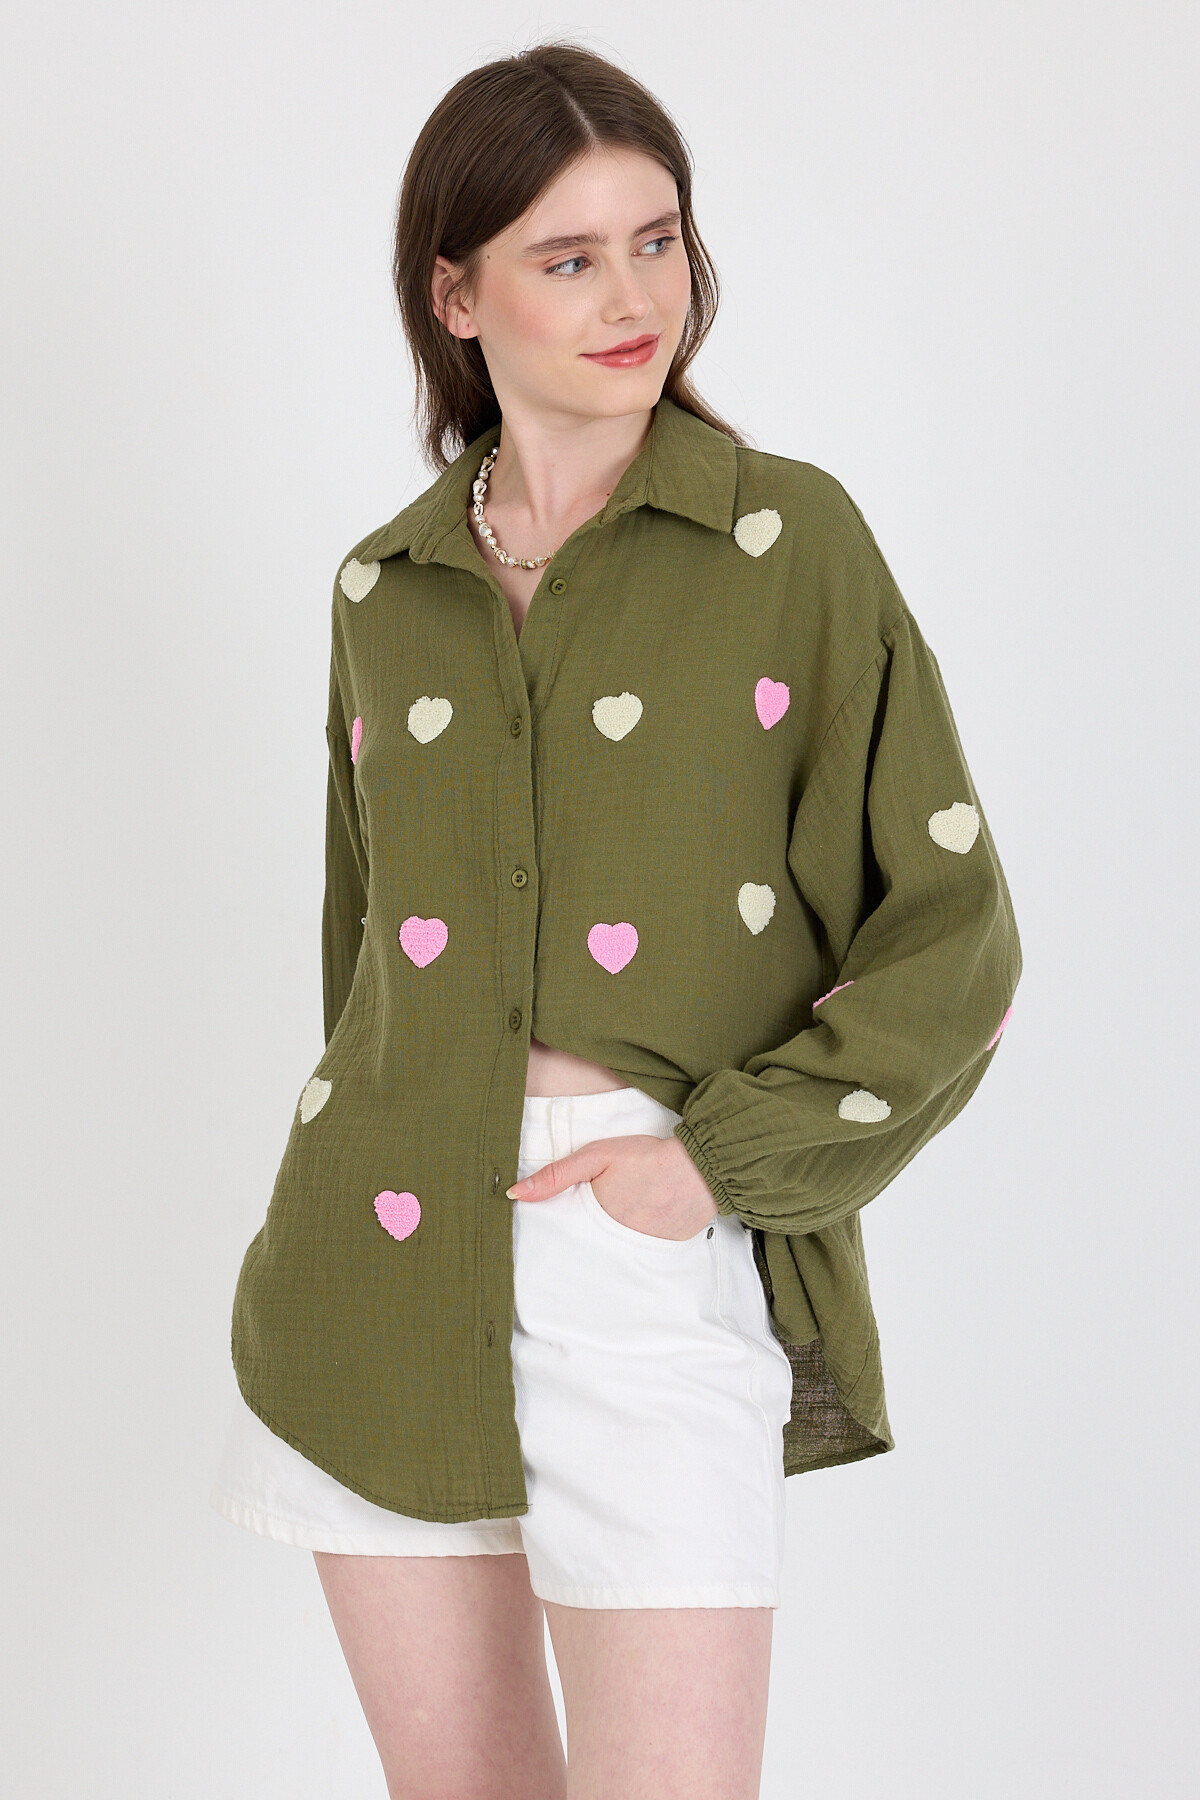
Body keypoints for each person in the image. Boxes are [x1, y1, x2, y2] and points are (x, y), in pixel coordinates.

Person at [209, 40, 1022, 1800]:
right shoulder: (384, 587)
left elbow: (954, 935)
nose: (634, 297)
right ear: (456, 295)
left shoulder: (790, 543)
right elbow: (366, 955)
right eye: (568, 258)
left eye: (657, 241)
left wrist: (712, 1166)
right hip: (373, 1263)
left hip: (644, 1248)